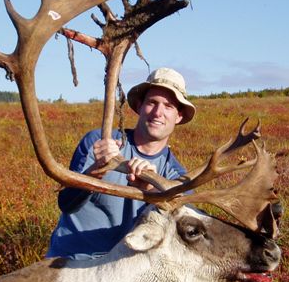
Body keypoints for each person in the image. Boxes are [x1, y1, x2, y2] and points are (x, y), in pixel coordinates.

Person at [46, 67, 196, 260]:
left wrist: (152, 190)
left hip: (122, 272)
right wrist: (95, 172)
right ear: (140, 106)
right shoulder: (99, 142)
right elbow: (66, 203)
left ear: (179, 116)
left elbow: (185, 227)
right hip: (70, 261)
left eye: (168, 106)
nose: (158, 113)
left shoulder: (177, 177)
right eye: (152, 102)